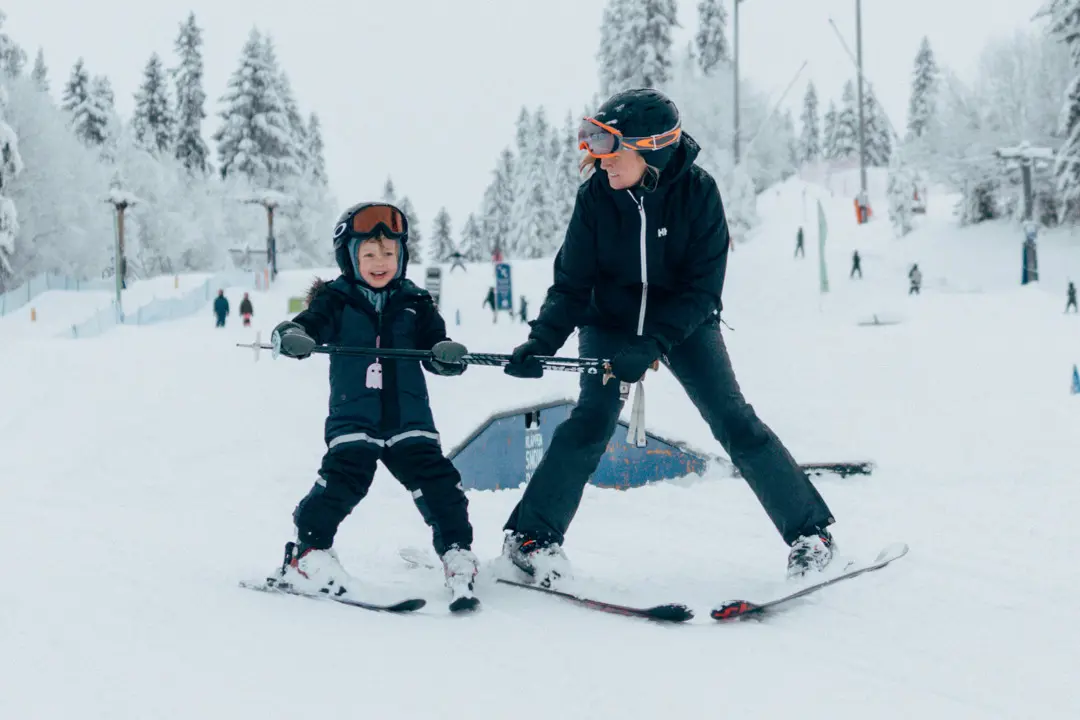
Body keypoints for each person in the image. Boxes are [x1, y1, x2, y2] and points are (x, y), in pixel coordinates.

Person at [500, 88, 836, 586]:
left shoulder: (698, 193)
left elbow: (703, 290)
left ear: (650, 149)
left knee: (734, 421)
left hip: (683, 322)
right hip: (610, 321)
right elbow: (572, 283)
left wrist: (653, 344)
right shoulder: (596, 197)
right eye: (594, 149)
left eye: (610, 151)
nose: (599, 162)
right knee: (591, 422)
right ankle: (530, 538)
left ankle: (811, 535)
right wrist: (541, 341)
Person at [267, 201, 480, 606]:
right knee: (346, 478)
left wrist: (446, 355)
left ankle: (457, 554)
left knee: (439, 481)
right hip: (355, 415)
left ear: (401, 256)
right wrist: (292, 334)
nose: (380, 262)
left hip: (409, 417)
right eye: (368, 254)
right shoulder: (335, 299)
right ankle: (309, 554)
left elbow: (434, 345)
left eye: (388, 253)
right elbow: (307, 325)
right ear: (350, 257)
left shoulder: (416, 301)